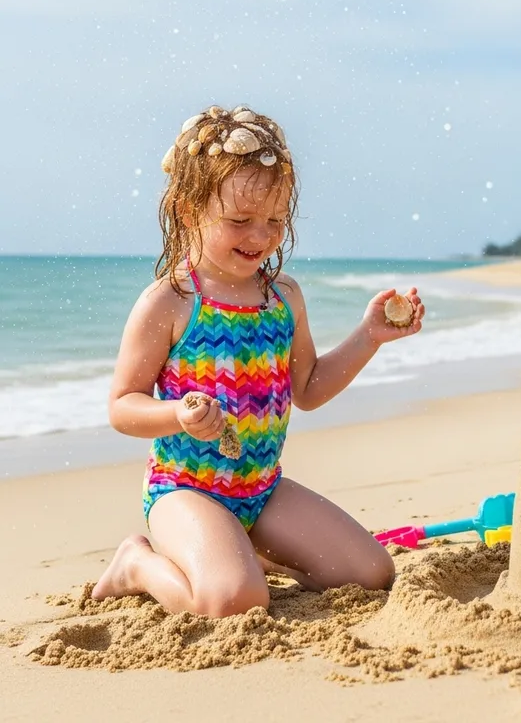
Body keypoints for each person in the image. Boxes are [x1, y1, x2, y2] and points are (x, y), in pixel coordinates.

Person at [92, 104, 425, 618]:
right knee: (233, 602)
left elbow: (308, 389)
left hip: (262, 490)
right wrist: (176, 414)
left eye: (275, 220)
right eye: (240, 221)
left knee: (370, 573)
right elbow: (122, 406)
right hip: (185, 491)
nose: (261, 237)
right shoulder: (172, 302)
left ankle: (243, 553)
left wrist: (369, 336)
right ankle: (138, 564)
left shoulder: (283, 297)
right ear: (188, 210)